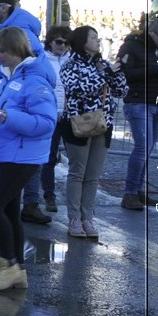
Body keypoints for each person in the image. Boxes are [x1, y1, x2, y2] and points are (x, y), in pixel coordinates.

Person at [0, 26, 57, 292]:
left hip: (23, 156)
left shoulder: (34, 81)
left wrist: (6, 117)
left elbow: (46, 122)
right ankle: (17, 269)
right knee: (9, 210)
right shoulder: (8, 77)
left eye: (1, 51)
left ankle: (9, 264)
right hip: (8, 153)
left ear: (14, 49)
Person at [59, 25, 127, 241]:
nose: (98, 41)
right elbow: (81, 89)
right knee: (77, 172)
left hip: (102, 124)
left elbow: (121, 90)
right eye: (94, 37)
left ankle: (88, 218)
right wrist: (105, 74)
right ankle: (74, 218)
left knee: (93, 175)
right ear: (82, 42)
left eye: (98, 37)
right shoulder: (70, 65)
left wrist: (117, 74)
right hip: (78, 123)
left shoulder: (103, 64)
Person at [116, 13, 158, 210]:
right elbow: (125, 73)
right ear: (151, 31)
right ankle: (129, 193)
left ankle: (137, 190)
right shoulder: (131, 46)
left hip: (157, 101)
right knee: (142, 148)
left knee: (148, 148)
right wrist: (156, 70)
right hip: (139, 102)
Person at [21, 24, 72, 216]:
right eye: (59, 42)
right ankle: (48, 195)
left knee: (72, 158)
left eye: (66, 43)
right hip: (49, 113)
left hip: (69, 114)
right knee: (48, 157)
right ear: (50, 41)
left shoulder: (71, 60)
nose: (63, 46)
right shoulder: (41, 60)